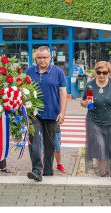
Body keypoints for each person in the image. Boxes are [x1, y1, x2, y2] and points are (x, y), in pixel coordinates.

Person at [26, 46, 67, 181]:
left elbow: (63, 93)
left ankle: (48, 171)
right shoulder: (29, 72)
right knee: (35, 141)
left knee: (50, 144)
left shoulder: (58, 72)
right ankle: (37, 170)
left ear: (50, 57)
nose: (42, 60)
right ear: (35, 58)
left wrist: (62, 112)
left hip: (52, 114)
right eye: (39, 57)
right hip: (34, 114)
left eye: (44, 57)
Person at [80, 61, 111, 177]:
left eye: (104, 72)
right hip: (93, 121)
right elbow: (82, 101)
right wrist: (86, 103)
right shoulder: (89, 84)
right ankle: (103, 173)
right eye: (98, 72)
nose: (101, 75)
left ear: (109, 73)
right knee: (100, 146)